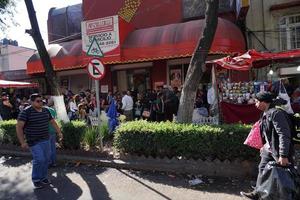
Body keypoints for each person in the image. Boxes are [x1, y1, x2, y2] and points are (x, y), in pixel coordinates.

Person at [240, 91, 295, 199]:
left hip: (280, 151)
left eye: (256, 102)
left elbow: (284, 134)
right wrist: (264, 146)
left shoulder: (276, 113)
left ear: (264, 102)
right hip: (269, 149)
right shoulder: (266, 112)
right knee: (262, 169)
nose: (255, 104)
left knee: (287, 175)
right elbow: (267, 133)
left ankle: (291, 194)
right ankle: (257, 193)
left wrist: (283, 155)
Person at [16, 94, 63, 189]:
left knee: (46, 159)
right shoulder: (26, 112)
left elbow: (52, 122)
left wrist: (59, 132)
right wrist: (22, 142)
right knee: (39, 159)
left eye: (42, 101)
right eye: (38, 101)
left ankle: (43, 177)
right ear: (31, 102)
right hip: (33, 141)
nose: (41, 102)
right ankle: (36, 179)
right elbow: (19, 127)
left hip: (46, 139)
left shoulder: (46, 110)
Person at [43, 100, 58, 167]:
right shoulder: (52, 109)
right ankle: (54, 162)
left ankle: (49, 163)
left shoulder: (42, 110)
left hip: (46, 131)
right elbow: (55, 119)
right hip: (53, 130)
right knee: (53, 147)